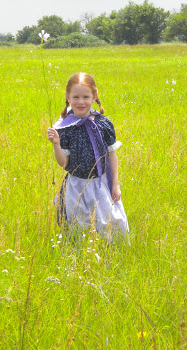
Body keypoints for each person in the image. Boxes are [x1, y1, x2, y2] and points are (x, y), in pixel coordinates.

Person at [46, 72, 129, 239]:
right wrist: (56, 144)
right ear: (68, 97)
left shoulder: (103, 124)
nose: (81, 102)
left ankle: (109, 255)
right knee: (79, 227)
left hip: (101, 184)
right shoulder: (65, 128)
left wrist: (115, 185)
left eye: (86, 96)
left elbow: (112, 155)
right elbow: (64, 163)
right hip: (76, 186)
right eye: (76, 97)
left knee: (108, 225)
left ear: (94, 96)